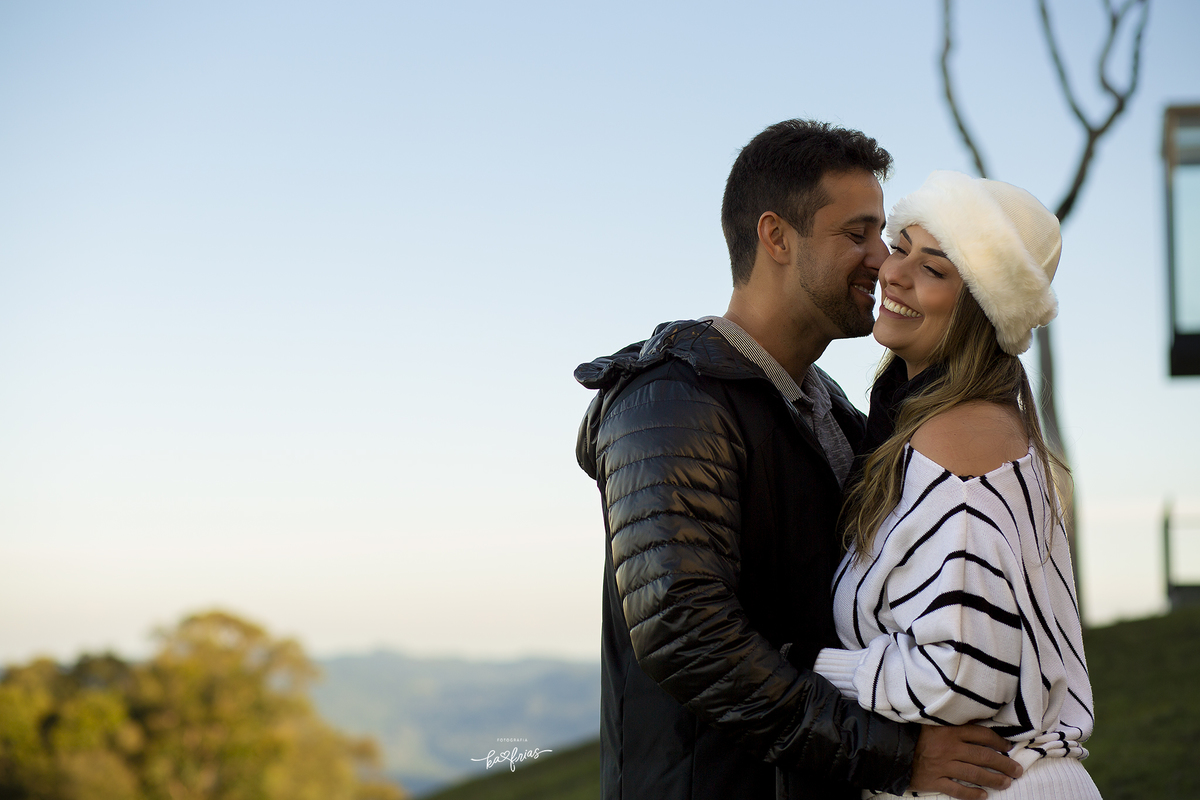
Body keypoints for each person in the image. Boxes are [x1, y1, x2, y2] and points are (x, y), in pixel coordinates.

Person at [575, 122, 1022, 800]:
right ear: (776, 237)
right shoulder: (671, 400)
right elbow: (685, 632)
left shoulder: (833, 411)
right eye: (857, 234)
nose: (883, 259)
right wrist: (893, 757)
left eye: (884, 235)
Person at [810, 171, 1098, 799]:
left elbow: (959, 677)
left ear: (982, 307)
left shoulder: (961, 439)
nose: (894, 271)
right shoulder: (935, 422)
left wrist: (812, 668)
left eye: (934, 268)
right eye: (901, 244)